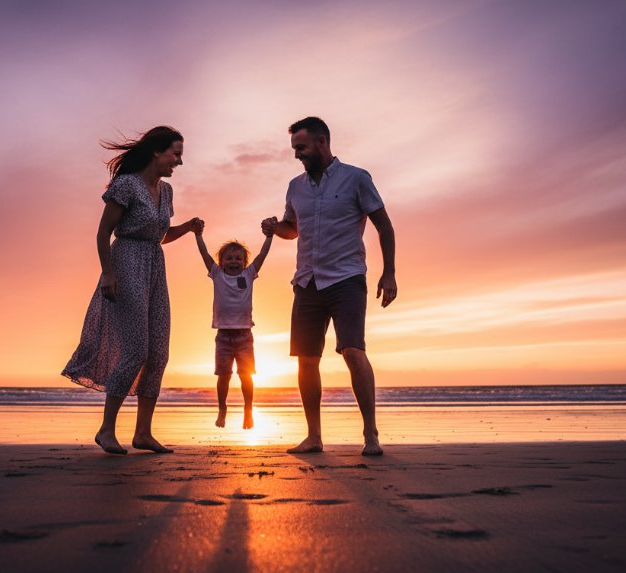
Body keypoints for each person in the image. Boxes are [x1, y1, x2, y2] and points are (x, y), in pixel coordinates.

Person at [62, 126, 201, 455]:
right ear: (157, 151)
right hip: (125, 265)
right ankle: (107, 429)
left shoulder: (166, 192)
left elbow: (160, 235)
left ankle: (143, 433)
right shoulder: (126, 185)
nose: (179, 162)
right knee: (136, 349)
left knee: (159, 353)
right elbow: (103, 233)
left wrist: (188, 227)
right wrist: (108, 273)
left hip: (155, 267)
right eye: (175, 154)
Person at [263, 116, 397, 456]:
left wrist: (389, 273)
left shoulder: (356, 178)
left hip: (347, 277)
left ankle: (370, 433)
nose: (297, 155)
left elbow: (384, 225)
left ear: (322, 142)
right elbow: (292, 229)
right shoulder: (296, 186)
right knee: (306, 359)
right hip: (307, 280)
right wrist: (274, 228)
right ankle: (314, 437)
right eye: (295, 149)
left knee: (352, 350)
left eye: (302, 148)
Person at [192, 221, 274, 429]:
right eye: (229, 258)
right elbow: (204, 254)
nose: (234, 261)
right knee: (223, 376)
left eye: (239, 258)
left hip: (245, 336)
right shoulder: (217, 274)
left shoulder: (248, 275)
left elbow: (262, 256)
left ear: (245, 262)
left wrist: (269, 236)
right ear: (221, 262)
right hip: (223, 337)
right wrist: (198, 234)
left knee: (246, 376)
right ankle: (222, 408)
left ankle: (248, 410)